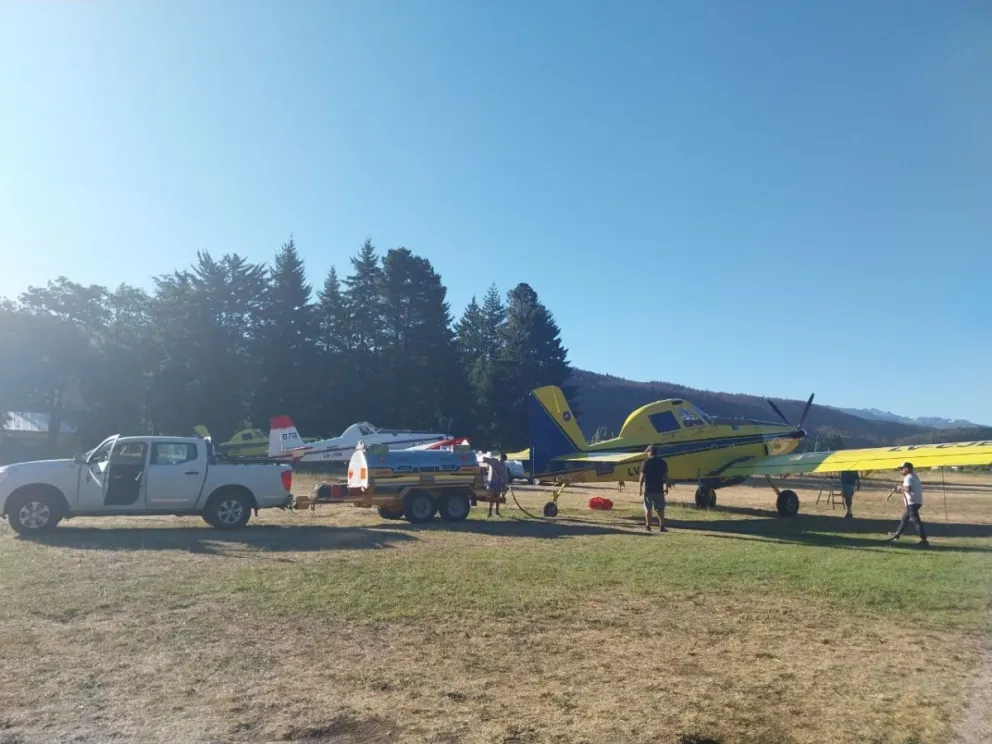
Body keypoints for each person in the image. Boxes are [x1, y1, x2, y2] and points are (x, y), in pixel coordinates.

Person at [884, 461, 930, 547]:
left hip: (912, 503)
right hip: (915, 502)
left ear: (906, 469)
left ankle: (924, 540)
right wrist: (897, 490)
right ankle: (897, 534)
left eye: (902, 469)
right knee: (905, 519)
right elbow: (908, 490)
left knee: (916, 521)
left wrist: (899, 487)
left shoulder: (908, 477)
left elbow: (908, 489)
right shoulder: (914, 477)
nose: (901, 471)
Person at [638, 445, 669, 532]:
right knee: (660, 509)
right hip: (659, 489)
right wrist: (666, 487)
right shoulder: (663, 462)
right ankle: (662, 526)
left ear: (649, 452)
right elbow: (666, 476)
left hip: (648, 489)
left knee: (648, 508)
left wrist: (640, 488)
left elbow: (642, 477)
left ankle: (648, 526)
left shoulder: (646, 462)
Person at [481, 452, 510, 517]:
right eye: (502, 459)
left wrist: (504, 485)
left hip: (499, 484)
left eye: (503, 460)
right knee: (491, 498)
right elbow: (484, 459)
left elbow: (504, 476)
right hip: (492, 483)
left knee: (497, 498)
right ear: (500, 457)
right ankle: (490, 512)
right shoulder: (494, 461)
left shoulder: (503, 466)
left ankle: (497, 512)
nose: (502, 461)